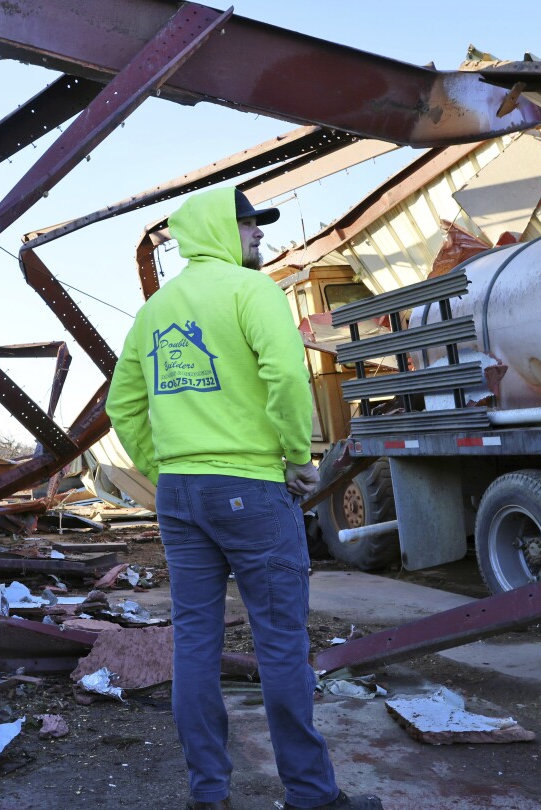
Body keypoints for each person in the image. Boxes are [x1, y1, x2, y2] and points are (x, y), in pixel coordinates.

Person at [106, 186, 383, 810]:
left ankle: (209, 796)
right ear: (215, 230)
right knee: (280, 643)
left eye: (258, 225)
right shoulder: (251, 290)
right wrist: (295, 457)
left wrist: (166, 466)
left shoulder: (154, 312)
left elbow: (121, 405)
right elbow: (285, 375)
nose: (258, 234)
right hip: (252, 488)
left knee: (196, 643)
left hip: (181, 495)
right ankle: (312, 796)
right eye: (248, 225)